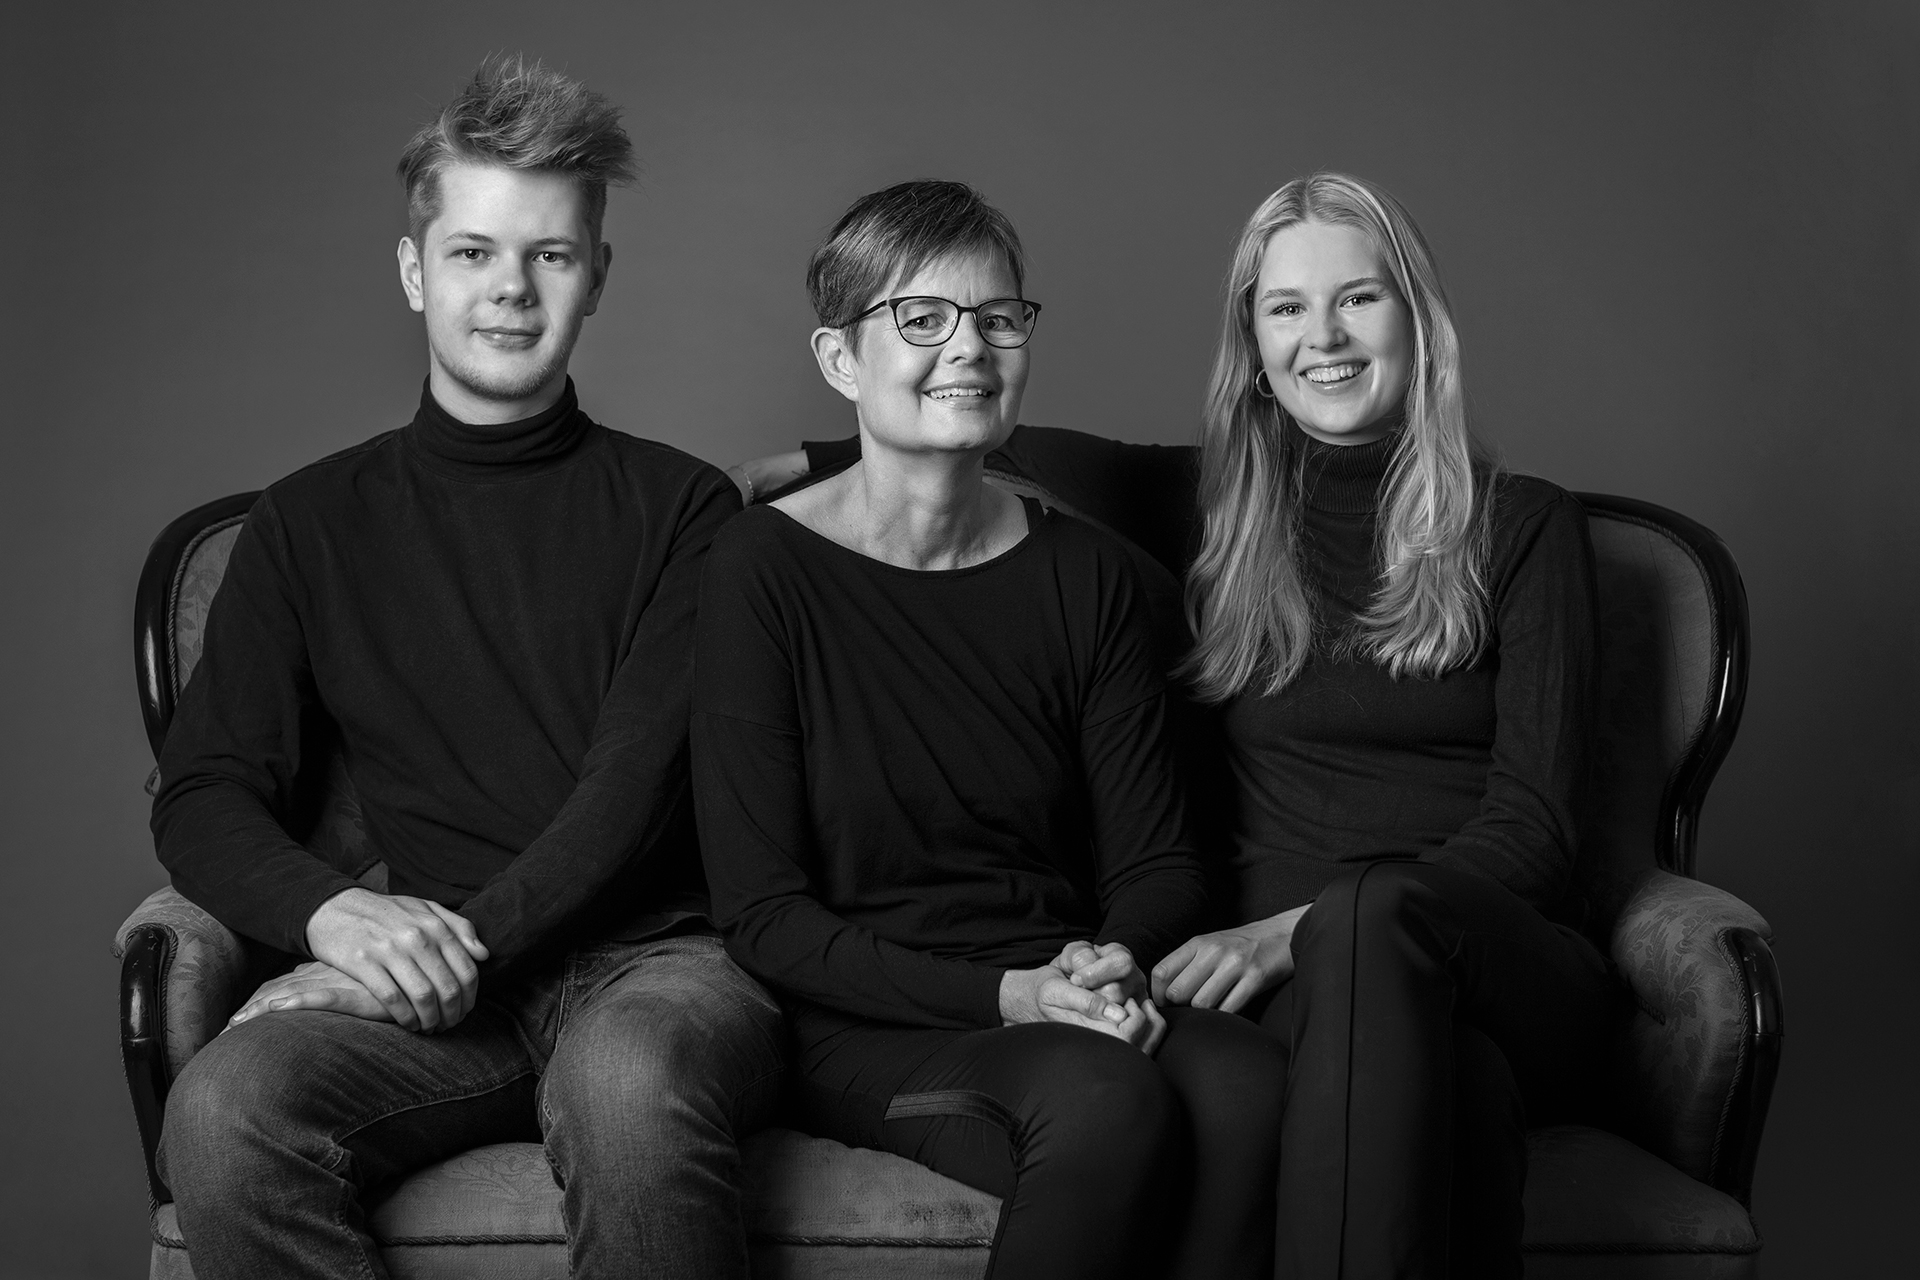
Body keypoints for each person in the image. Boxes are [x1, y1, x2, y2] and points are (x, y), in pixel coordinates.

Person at [740, 172, 1617, 1279]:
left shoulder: (1525, 528)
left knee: (1377, 914)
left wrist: (1297, 929)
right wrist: (808, 465)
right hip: (1305, 992)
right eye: (1287, 308)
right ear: (1254, 346)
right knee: (1457, 1089)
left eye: (1360, 298)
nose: (1324, 337)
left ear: (1419, 321)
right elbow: (988, 439)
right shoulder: (1220, 512)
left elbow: (1534, 835)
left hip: (1489, 950)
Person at [151, 56, 785, 1280]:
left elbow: (628, 797)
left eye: (550, 254)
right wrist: (338, 918)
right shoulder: (307, 522)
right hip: (448, 996)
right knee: (224, 1110)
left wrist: (438, 956)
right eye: (473, 251)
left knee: (625, 1079)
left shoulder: (686, 509)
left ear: (598, 275)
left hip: (664, 966)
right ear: (414, 271)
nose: (510, 287)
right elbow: (204, 790)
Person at [692, 180, 1288, 1280]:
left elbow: (1158, 860)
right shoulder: (758, 571)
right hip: (869, 1022)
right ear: (840, 360)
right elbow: (765, 917)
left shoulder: (1093, 577)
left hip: (1067, 983)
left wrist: (1115, 963)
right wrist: (1013, 999)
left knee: (1250, 1084)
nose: (967, 347)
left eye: (998, 317)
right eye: (921, 318)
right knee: (1103, 1096)